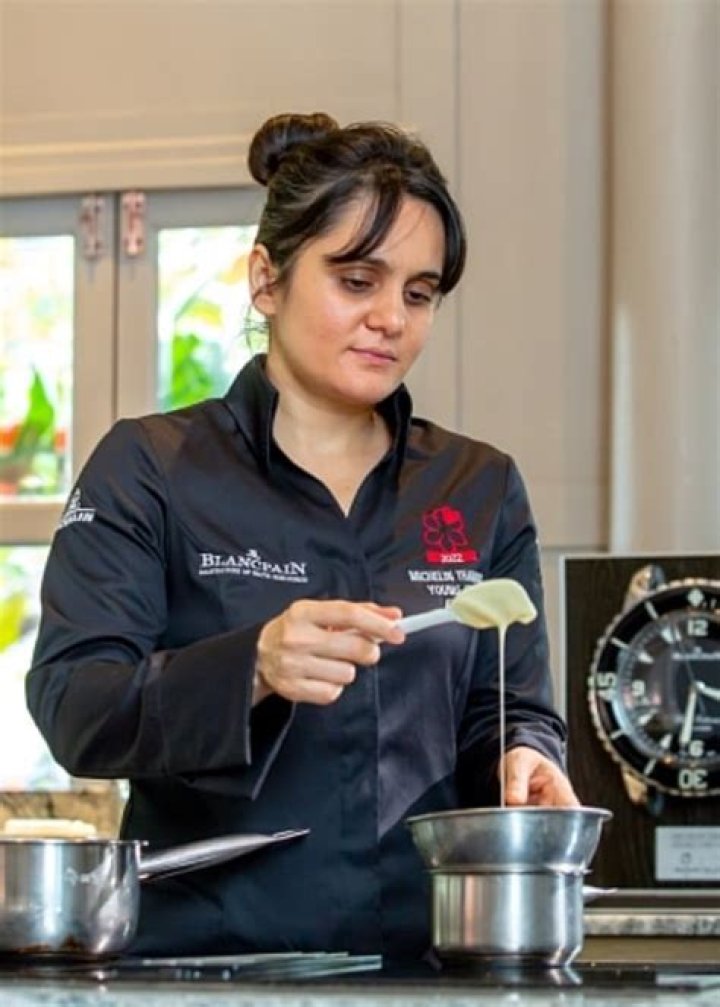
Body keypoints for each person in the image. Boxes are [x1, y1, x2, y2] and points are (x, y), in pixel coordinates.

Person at [27, 111, 578, 960]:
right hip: (205, 969)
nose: (391, 317)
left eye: (419, 293)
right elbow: (75, 704)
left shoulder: (478, 485)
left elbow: (510, 709)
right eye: (358, 280)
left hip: (431, 964)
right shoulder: (151, 468)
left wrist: (527, 757)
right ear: (266, 279)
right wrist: (251, 666)